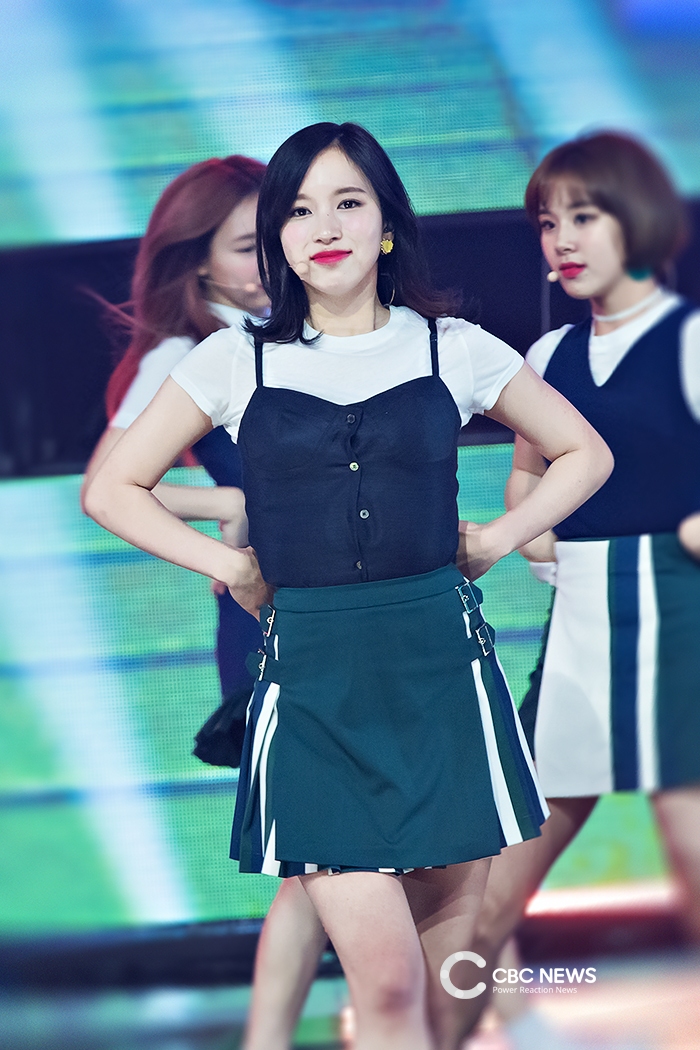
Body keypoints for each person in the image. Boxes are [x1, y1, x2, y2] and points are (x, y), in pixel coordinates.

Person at [83, 122, 611, 1050]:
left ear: (387, 224)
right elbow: (111, 488)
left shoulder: (454, 347)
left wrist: (497, 539)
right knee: (389, 988)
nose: (324, 227)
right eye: (298, 210)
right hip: (314, 692)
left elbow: (584, 452)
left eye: (348, 202)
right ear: (279, 239)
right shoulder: (234, 359)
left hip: (443, 683)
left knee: (449, 986)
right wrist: (230, 565)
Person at [457, 131, 700, 1049]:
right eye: (547, 222)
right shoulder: (552, 352)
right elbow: (528, 472)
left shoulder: (688, 339)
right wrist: (534, 537)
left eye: (584, 216)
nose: (561, 239)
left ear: (638, 218)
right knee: (487, 899)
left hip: (682, 623)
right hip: (583, 629)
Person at [82, 155, 268, 752]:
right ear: (198, 260)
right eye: (247, 247)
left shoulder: (299, 331)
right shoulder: (185, 351)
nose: (270, 258)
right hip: (266, 609)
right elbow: (104, 485)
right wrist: (229, 505)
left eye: (276, 234)